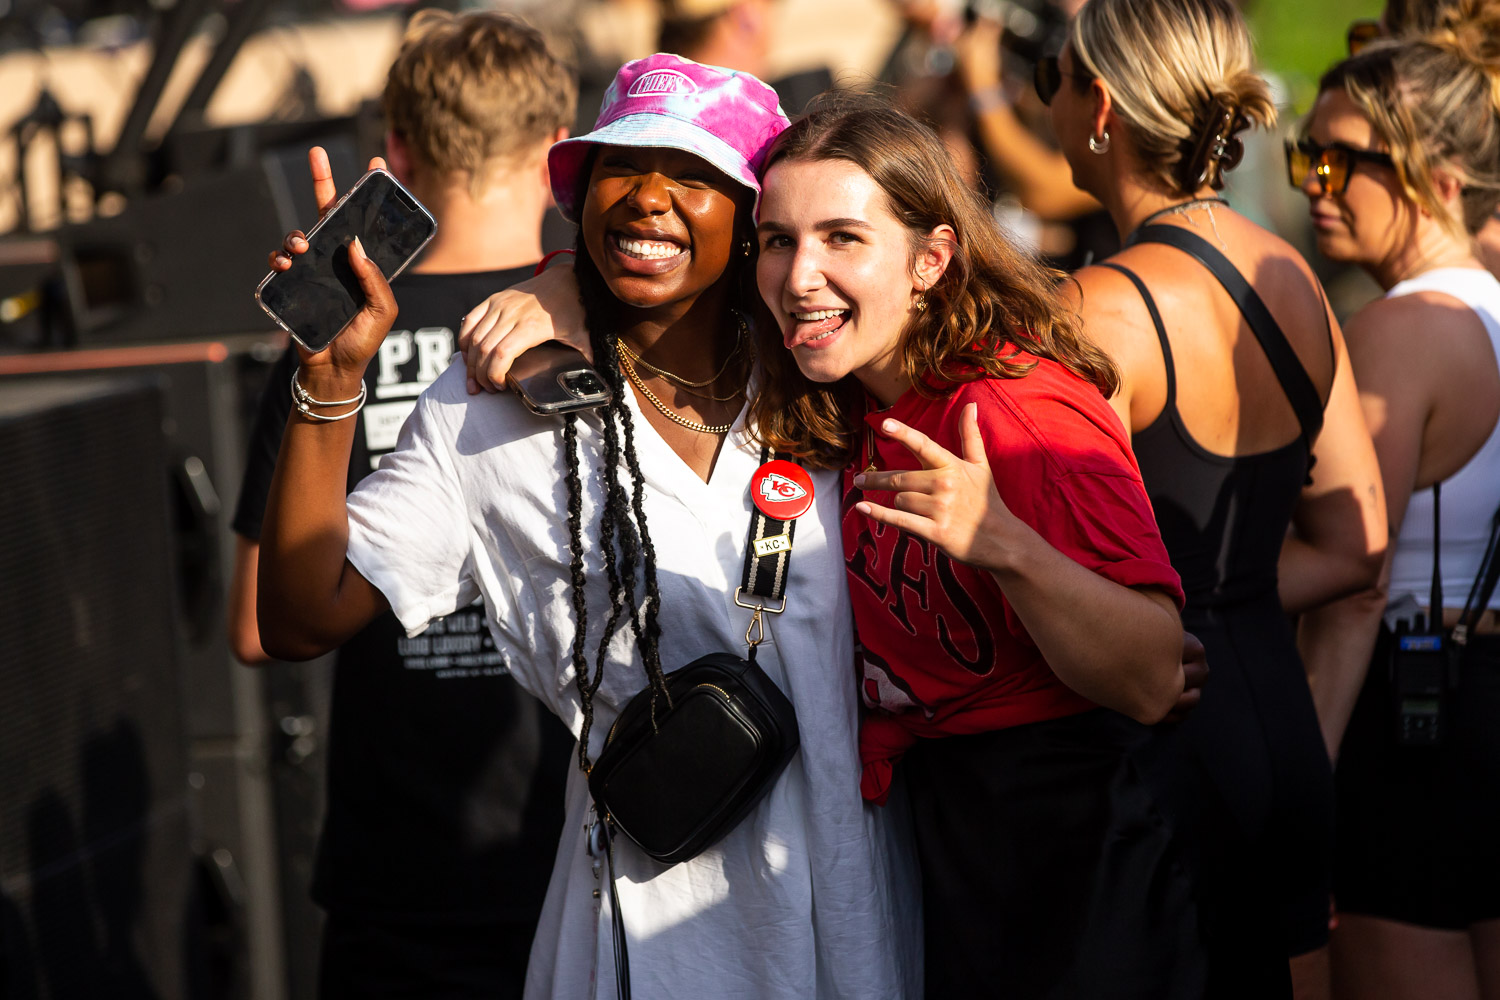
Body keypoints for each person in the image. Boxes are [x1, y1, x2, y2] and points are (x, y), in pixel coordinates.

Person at [254, 53, 922, 999]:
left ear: (753, 225)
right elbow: (299, 615)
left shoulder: (830, 371)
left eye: (692, 175)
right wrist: (329, 380)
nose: (649, 196)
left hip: (854, 927)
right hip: (640, 949)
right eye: (621, 167)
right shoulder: (488, 411)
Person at [751, 92, 1201, 999]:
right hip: (957, 834)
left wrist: (1005, 546)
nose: (799, 275)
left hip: (1085, 848)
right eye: (777, 240)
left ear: (930, 257)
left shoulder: (1017, 410)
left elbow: (1156, 675)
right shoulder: (852, 397)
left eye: (843, 238)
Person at [1040, 0, 1388, 996]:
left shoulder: (1096, 308)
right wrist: (1226, 599)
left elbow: (1035, 558)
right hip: (1276, 721)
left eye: (1051, 79)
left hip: (1153, 745)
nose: (1048, 103)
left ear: (1099, 105)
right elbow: (1354, 546)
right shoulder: (1289, 276)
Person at [228, 12, 578, 997]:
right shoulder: (600, 324)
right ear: (558, 153)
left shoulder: (330, 333)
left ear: (397, 151)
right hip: (583, 852)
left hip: (401, 874)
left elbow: (257, 626)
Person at [1289, 20, 1500, 999]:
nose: (1311, 185)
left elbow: (1355, 579)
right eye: (1307, 156)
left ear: (1440, 179)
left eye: (1339, 163)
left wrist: (1302, 781)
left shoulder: (1400, 329)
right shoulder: (1489, 308)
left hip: (1409, 717)